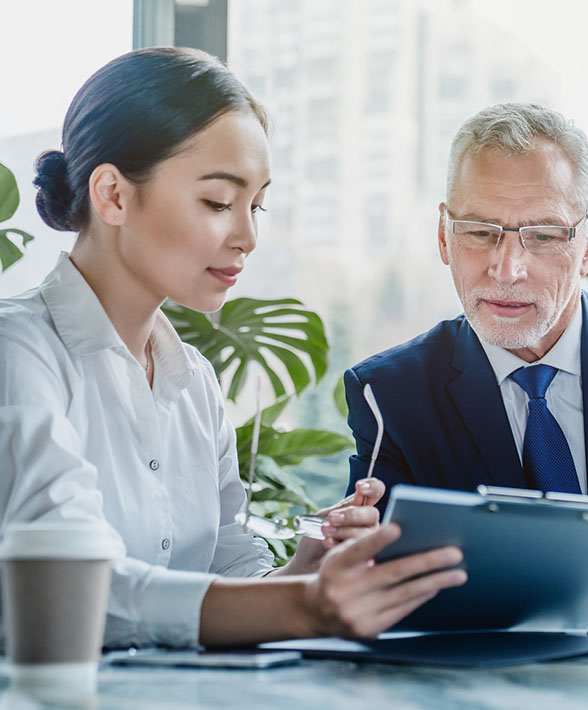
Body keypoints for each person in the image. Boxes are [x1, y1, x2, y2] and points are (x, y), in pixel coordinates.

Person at [0, 47, 467, 649]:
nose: (247, 236)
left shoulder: (192, 381)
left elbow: (229, 573)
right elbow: (66, 586)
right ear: (113, 195)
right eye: (219, 202)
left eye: (257, 205)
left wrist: (310, 566)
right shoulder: (20, 354)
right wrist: (303, 605)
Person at [345, 102, 588, 622]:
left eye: (544, 235)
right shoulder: (389, 395)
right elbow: (369, 580)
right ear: (444, 235)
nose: (507, 269)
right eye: (480, 230)